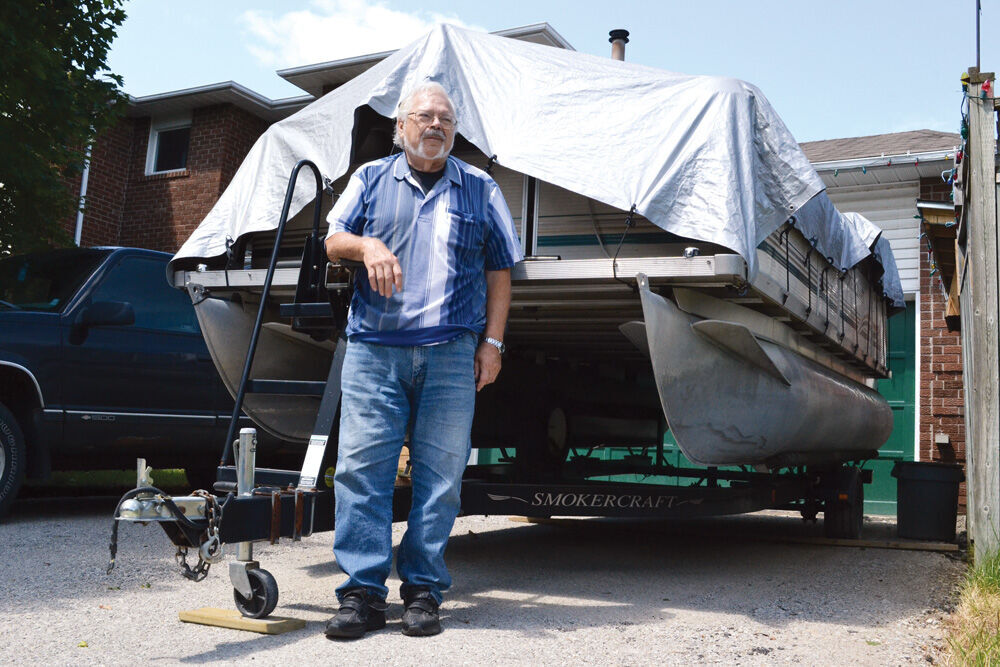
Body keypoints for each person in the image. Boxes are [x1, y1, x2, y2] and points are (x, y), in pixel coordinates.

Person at [322, 81, 523, 639]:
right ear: (401, 127)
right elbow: (332, 239)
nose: (436, 124)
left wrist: (494, 343)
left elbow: (501, 270)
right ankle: (361, 594)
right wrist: (366, 246)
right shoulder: (369, 179)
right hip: (373, 352)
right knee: (363, 473)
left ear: (454, 132)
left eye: (446, 119)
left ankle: (423, 592)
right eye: (425, 115)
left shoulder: (481, 189)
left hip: (453, 355)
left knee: (441, 478)